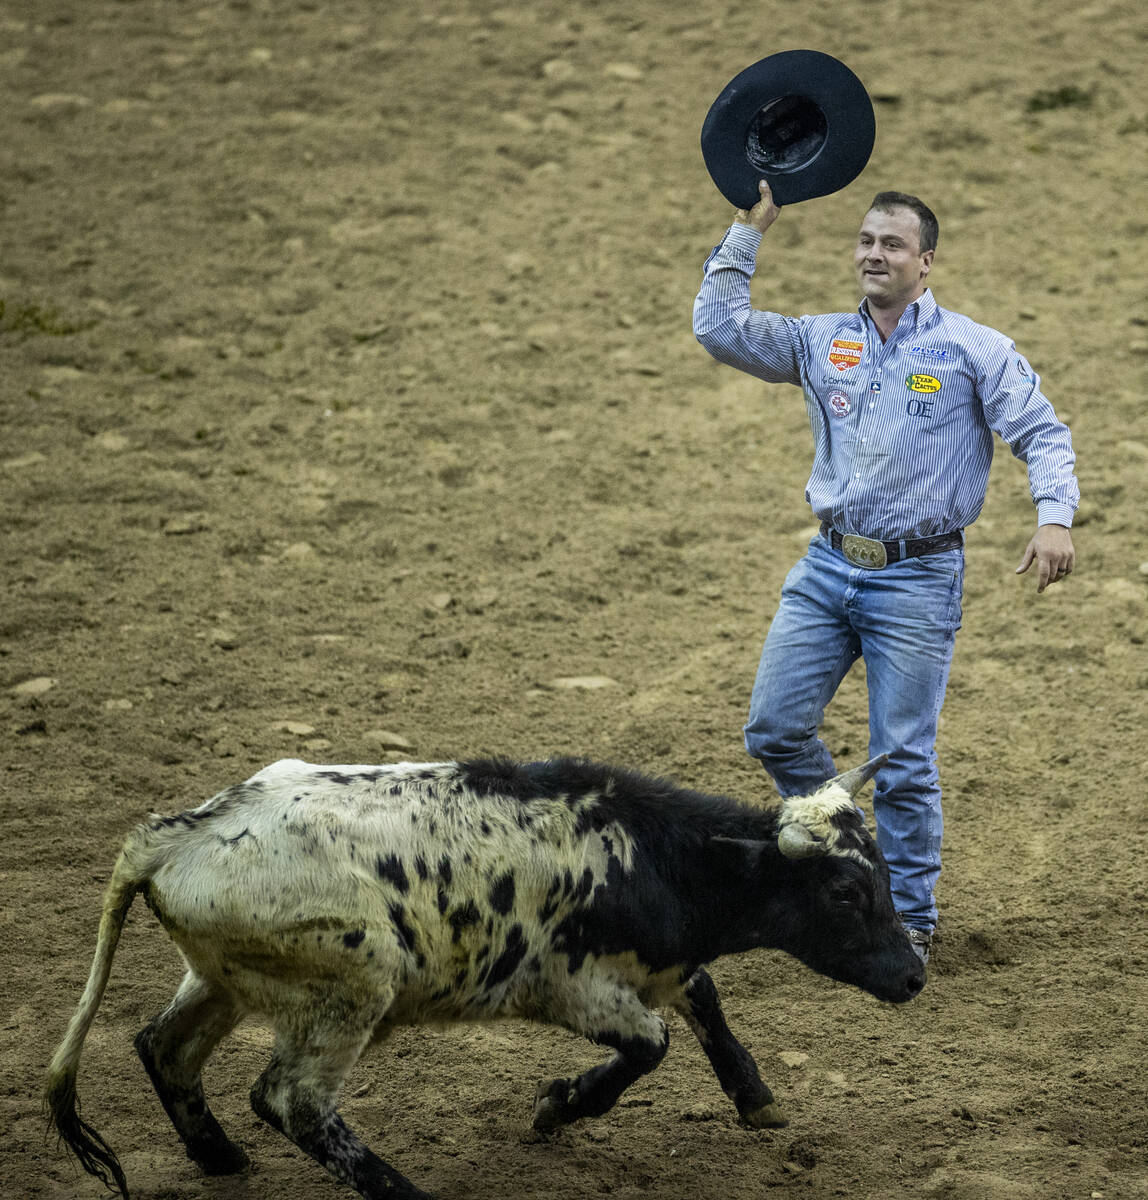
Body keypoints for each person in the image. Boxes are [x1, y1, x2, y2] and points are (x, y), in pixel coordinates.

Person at [693, 181, 1079, 964]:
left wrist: (1054, 518)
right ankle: (848, 851)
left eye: (892, 244)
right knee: (772, 727)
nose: (874, 253)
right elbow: (720, 328)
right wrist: (747, 230)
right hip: (829, 564)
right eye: (866, 240)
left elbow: (1041, 432)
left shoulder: (974, 350)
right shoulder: (820, 338)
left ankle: (909, 917)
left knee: (902, 757)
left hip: (919, 576)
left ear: (925, 261)